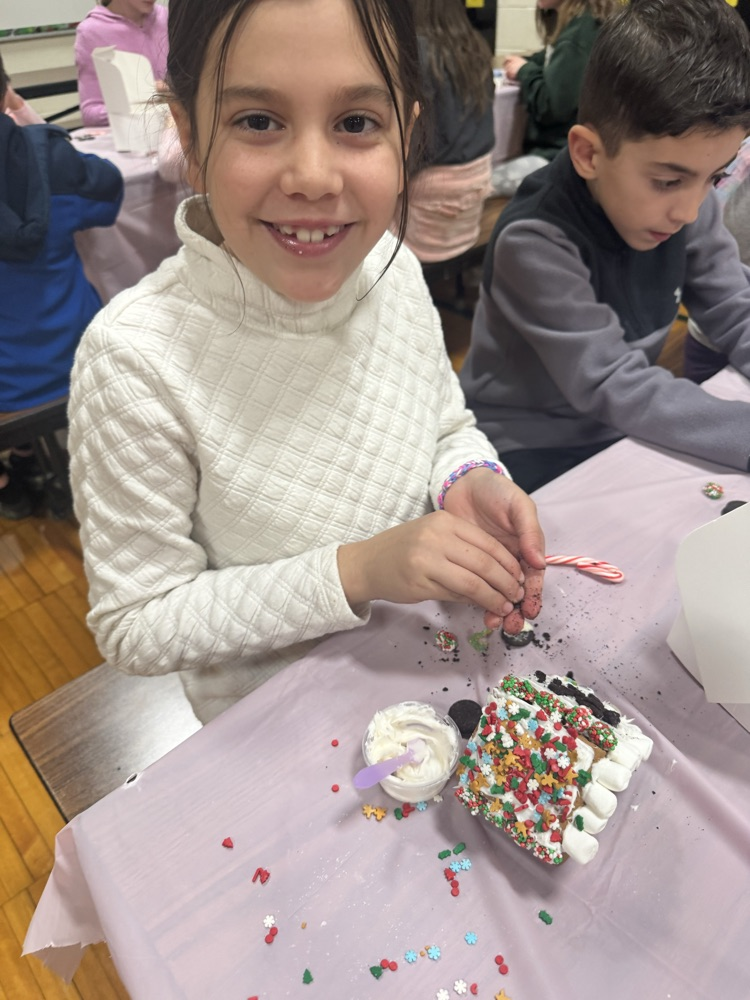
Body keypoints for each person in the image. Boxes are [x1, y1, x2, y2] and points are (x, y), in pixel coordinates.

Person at [67, 0, 547, 725]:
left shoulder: (393, 265)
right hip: (276, 730)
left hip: (430, 681)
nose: (314, 178)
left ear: (406, 138)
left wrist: (466, 476)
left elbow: (446, 424)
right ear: (190, 138)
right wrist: (358, 569)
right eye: (258, 121)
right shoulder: (134, 359)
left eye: (357, 123)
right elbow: (138, 620)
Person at [459, 0, 750, 494]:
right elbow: (613, 382)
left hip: (615, 423)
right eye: (667, 181)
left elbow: (732, 307)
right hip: (524, 443)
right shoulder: (534, 240)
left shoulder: (687, 203)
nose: (690, 209)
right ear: (588, 153)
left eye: (715, 177)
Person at [0, 54, 123, 520]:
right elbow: (109, 195)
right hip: (74, 358)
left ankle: (10, 483)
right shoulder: (48, 156)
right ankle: (45, 462)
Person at [491, 0, 619, 198]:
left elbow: (550, 108)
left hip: (558, 158)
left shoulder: (578, 36)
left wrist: (525, 71)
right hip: (574, 154)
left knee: (480, 187)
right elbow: (551, 58)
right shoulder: (582, 24)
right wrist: (527, 64)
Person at [401, 0, 495, 263]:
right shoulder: (477, 45)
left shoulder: (419, 51)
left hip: (431, 209)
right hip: (474, 194)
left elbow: (415, 144)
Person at [75, 0, 169, 127]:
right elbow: (91, 115)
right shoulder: (92, 31)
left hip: (180, 134)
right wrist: (145, 94)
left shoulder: (166, 17)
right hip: (133, 138)